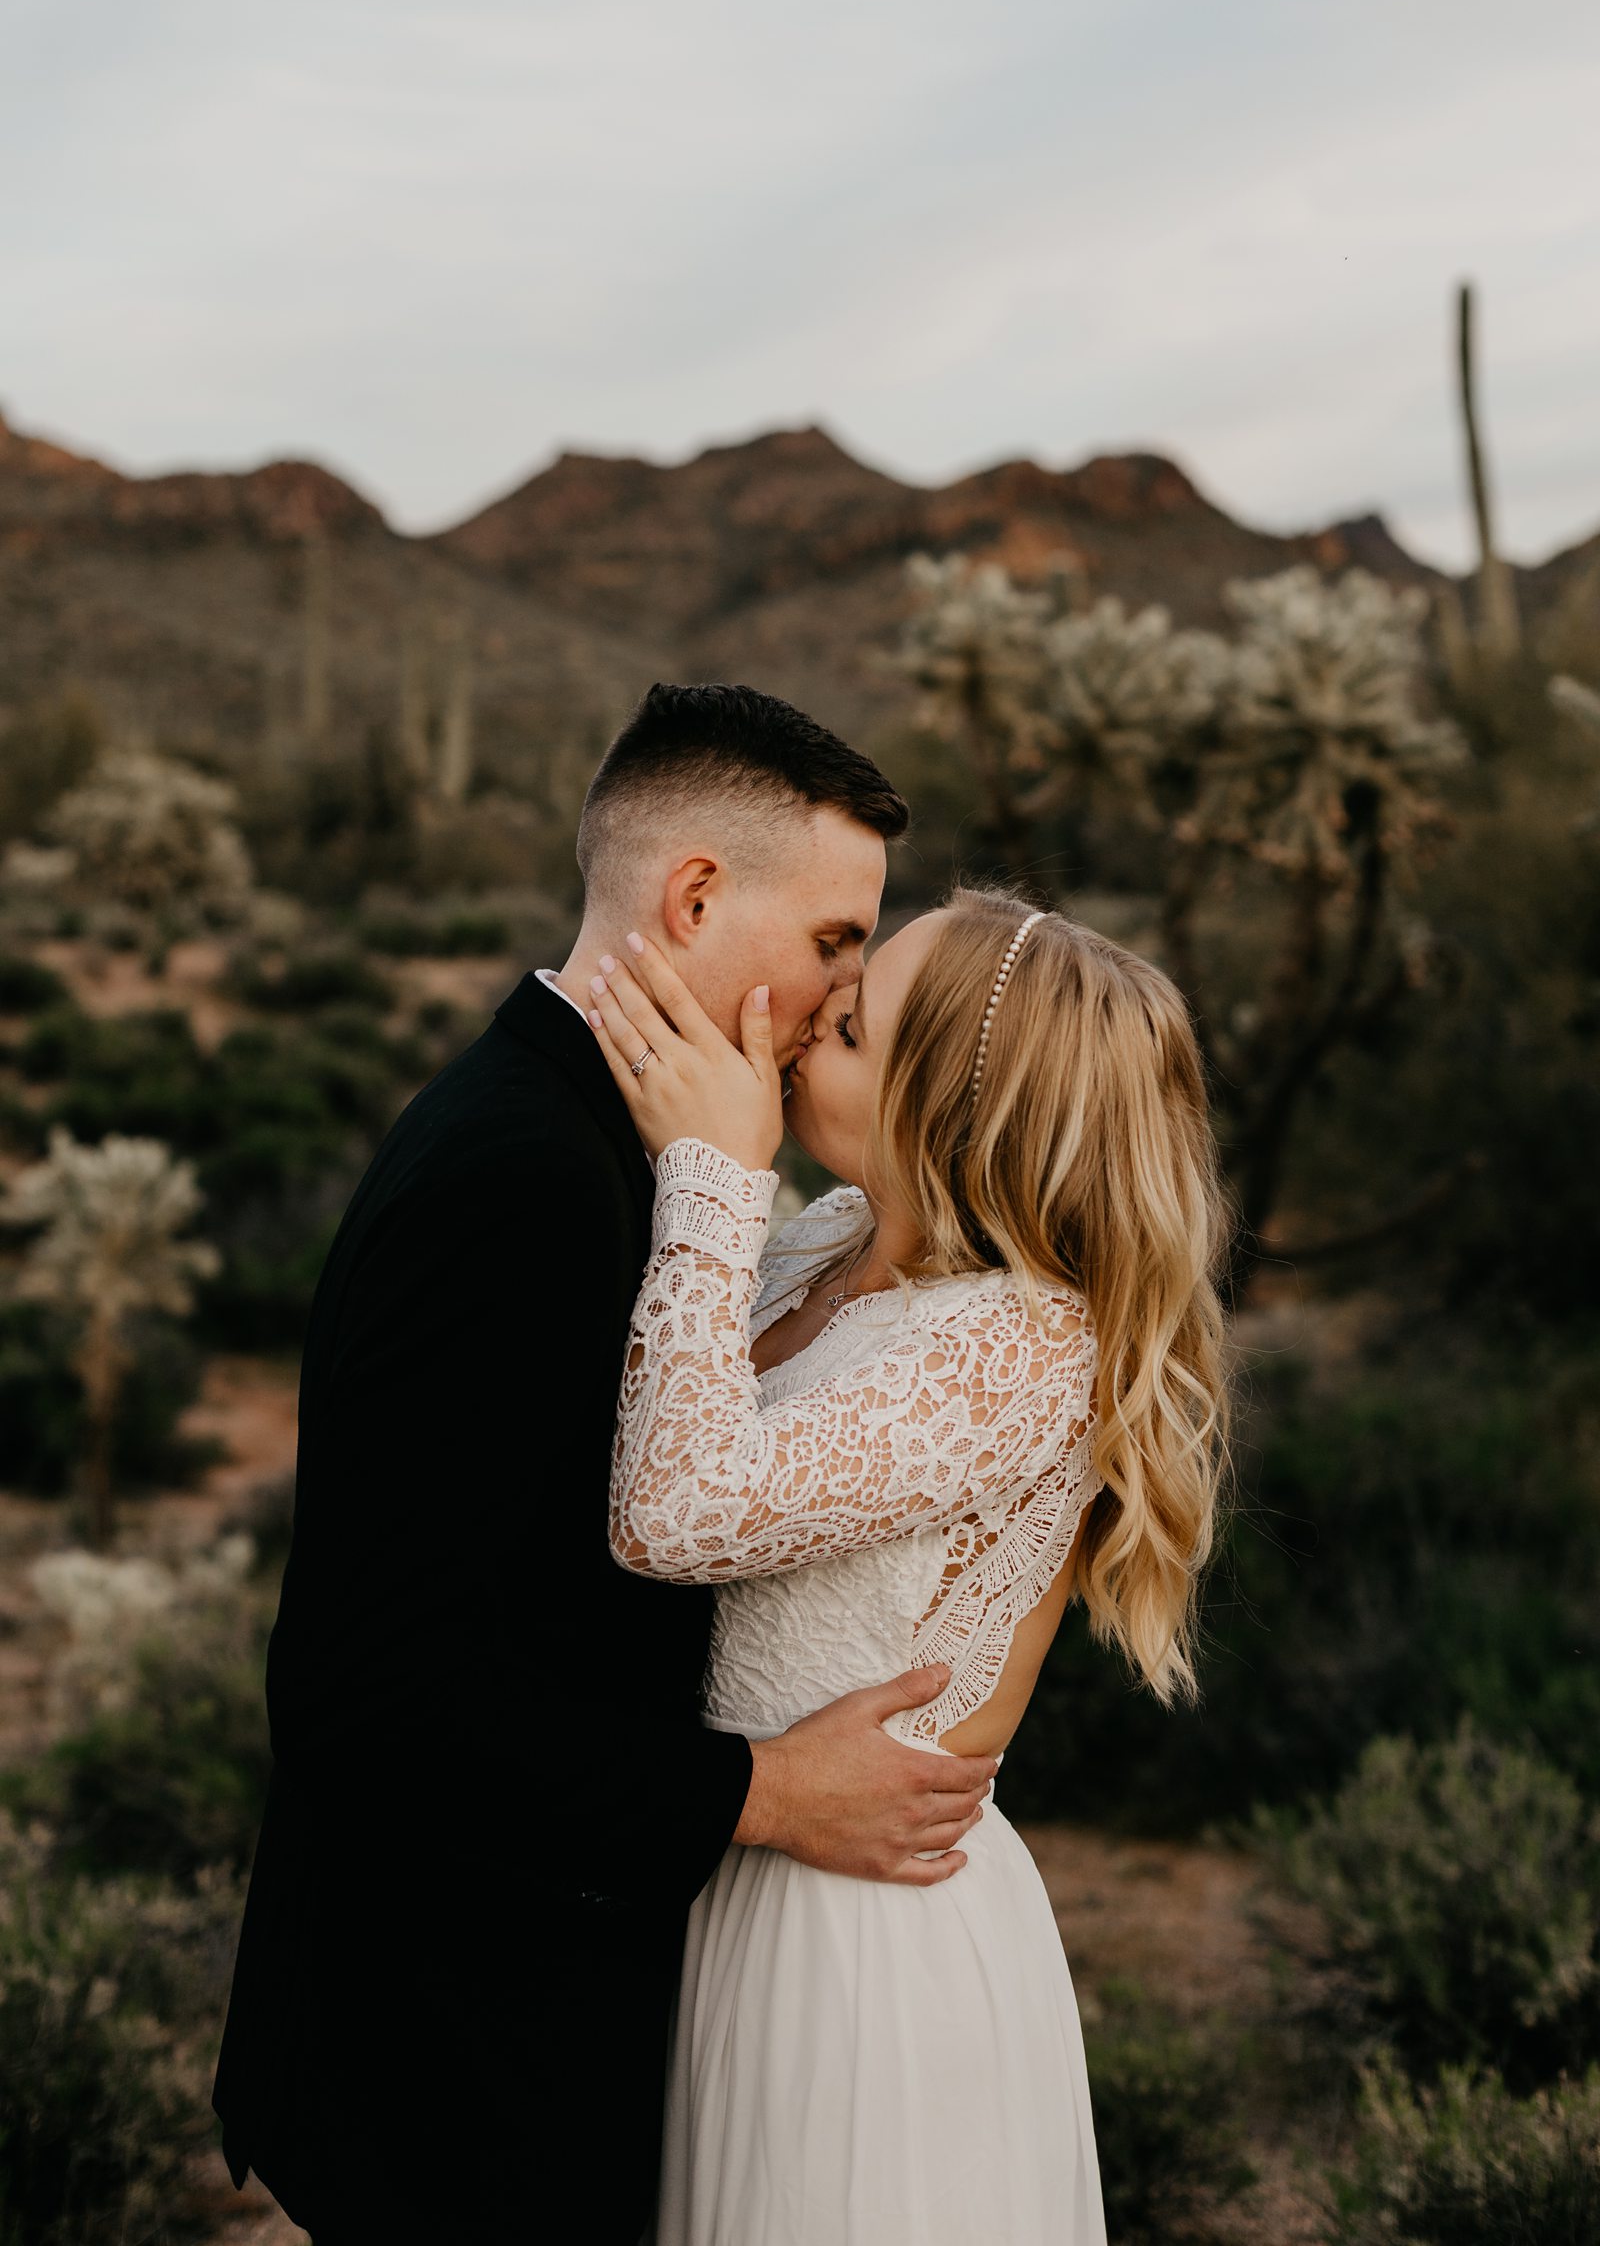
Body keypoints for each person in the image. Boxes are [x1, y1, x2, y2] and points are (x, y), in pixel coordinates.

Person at [211, 686, 1001, 2244]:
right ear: (696, 896)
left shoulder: (612, 1140)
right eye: (839, 942)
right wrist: (765, 1793)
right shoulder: (528, 1180)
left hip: (516, 2012)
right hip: (460, 2055)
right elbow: (366, 1693)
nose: (848, 993)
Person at [582, 888, 1234, 2244]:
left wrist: (709, 1174)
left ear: (944, 1115)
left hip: (855, 1938)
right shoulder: (833, 1247)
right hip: (746, 1860)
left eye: (857, 1027)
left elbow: (677, 1510)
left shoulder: (1018, 1346)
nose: (815, 1019)